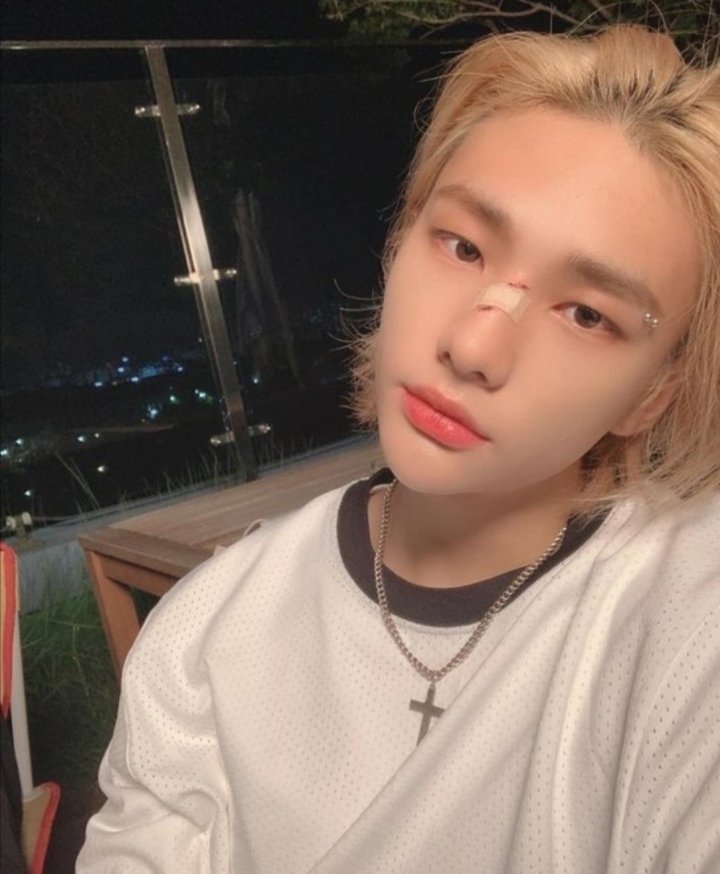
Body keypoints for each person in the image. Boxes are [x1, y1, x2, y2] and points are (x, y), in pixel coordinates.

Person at [77, 24, 720, 873]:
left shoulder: (688, 624)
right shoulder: (208, 630)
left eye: (587, 314)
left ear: (653, 394)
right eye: (462, 246)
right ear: (397, 243)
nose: (474, 346)